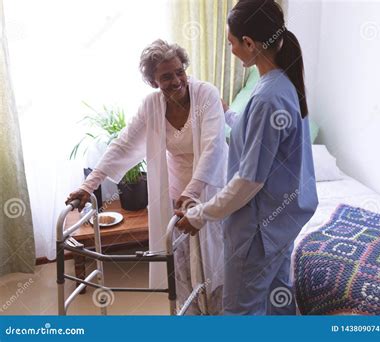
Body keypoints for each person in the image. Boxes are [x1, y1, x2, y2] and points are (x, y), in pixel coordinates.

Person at [175, 0, 318, 315]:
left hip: (258, 232)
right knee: (277, 302)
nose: (230, 49)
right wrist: (229, 115)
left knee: (240, 312)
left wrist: (201, 214)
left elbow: (247, 182)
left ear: (250, 43)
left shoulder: (267, 97)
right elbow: (261, 138)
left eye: (231, 43)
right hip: (283, 223)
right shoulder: (282, 82)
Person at [66, 39, 227, 315]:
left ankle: (219, 319)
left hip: (210, 188)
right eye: (166, 76)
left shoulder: (206, 95)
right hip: (176, 193)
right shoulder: (152, 105)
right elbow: (123, 144)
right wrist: (88, 185)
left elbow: (212, 147)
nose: (176, 80)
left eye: (179, 71)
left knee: (214, 262)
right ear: (154, 82)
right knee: (180, 260)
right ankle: (189, 319)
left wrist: (193, 193)